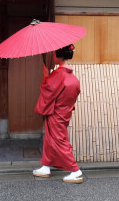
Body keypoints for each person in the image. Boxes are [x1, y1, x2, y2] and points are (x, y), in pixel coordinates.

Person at [32, 44, 83, 183]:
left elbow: (47, 90)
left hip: (57, 113)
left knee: (59, 141)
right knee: (50, 139)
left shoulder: (58, 74)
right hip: (64, 112)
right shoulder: (72, 76)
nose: (53, 56)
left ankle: (75, 170)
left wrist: (45, 76)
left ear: (57, 55)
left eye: (54, 53)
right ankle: (46, 166)